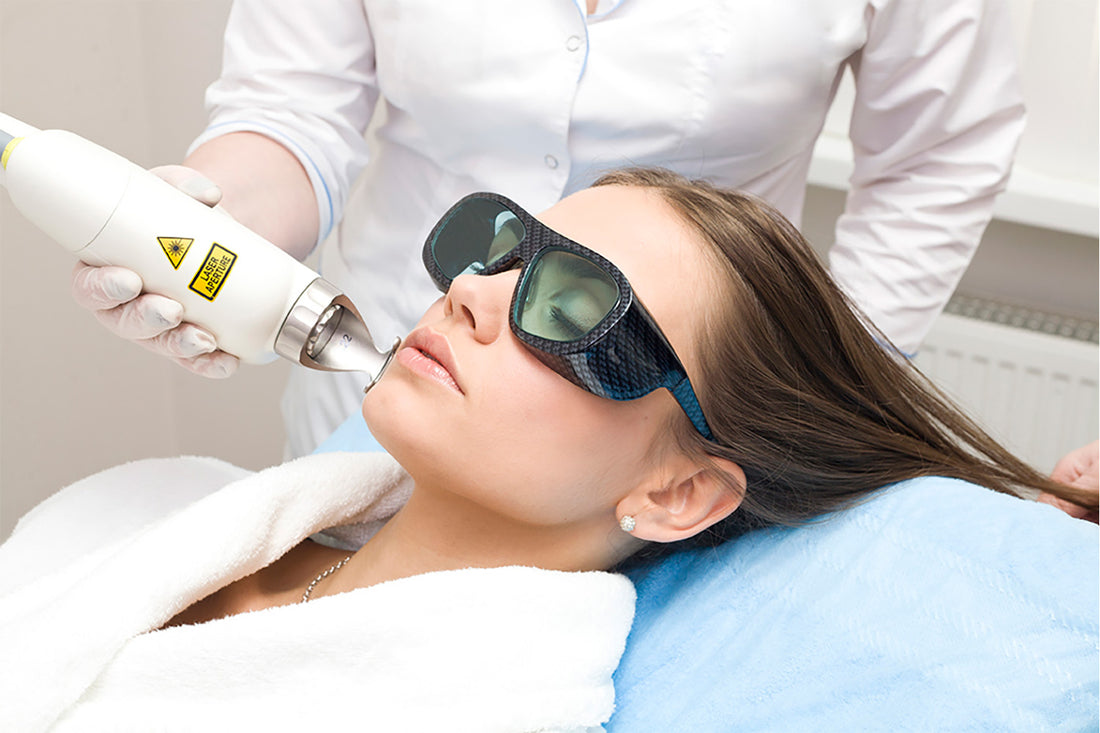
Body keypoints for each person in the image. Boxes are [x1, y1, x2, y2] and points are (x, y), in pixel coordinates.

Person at [4, 169, 1095, 729]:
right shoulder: (148, 507)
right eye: (502, 248)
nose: (471, 293)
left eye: (573, 309)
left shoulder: (486, 708)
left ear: (676, 494)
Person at [70, 0, 1028, 457]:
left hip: (675, 431)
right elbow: (291, 110)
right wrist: (209, 226)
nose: (476, 291)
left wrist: (806, 392)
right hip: (380, 393)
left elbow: (940, 157)